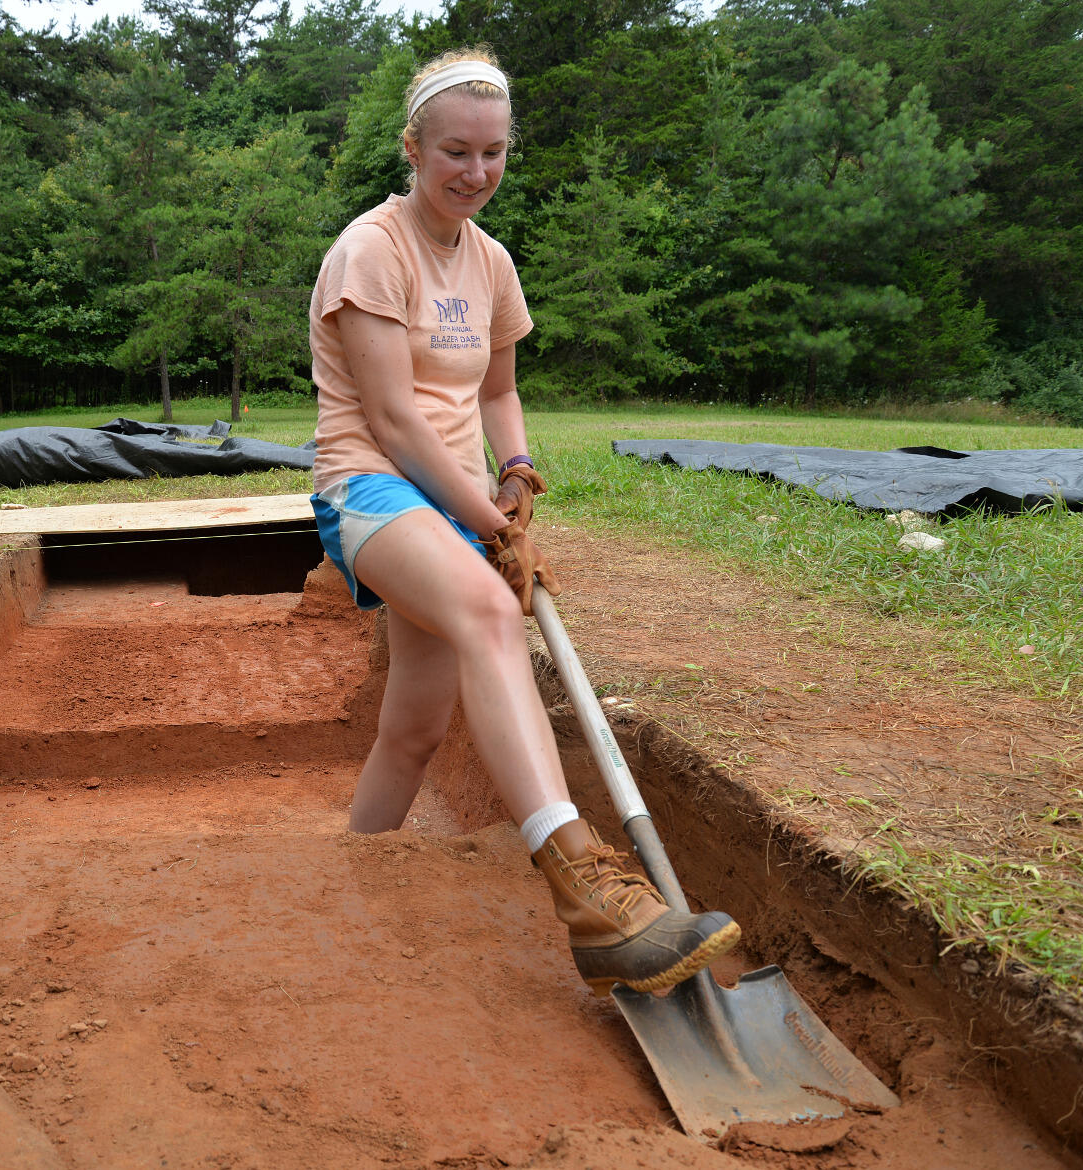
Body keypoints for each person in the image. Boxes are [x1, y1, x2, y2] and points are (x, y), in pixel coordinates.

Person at [307, 48, 739, 995]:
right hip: (374, 490)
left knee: (415, 732)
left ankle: (350, 880)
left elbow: (498, 391)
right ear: (413, 148)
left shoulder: (491, 260)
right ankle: (584, 883)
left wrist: (515, 475)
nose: (476, 173)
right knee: (493, 616)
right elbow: (392, 421)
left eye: (494, 153)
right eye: (456, 151)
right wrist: (490, 528)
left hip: (458, 501)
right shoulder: (371, 249)